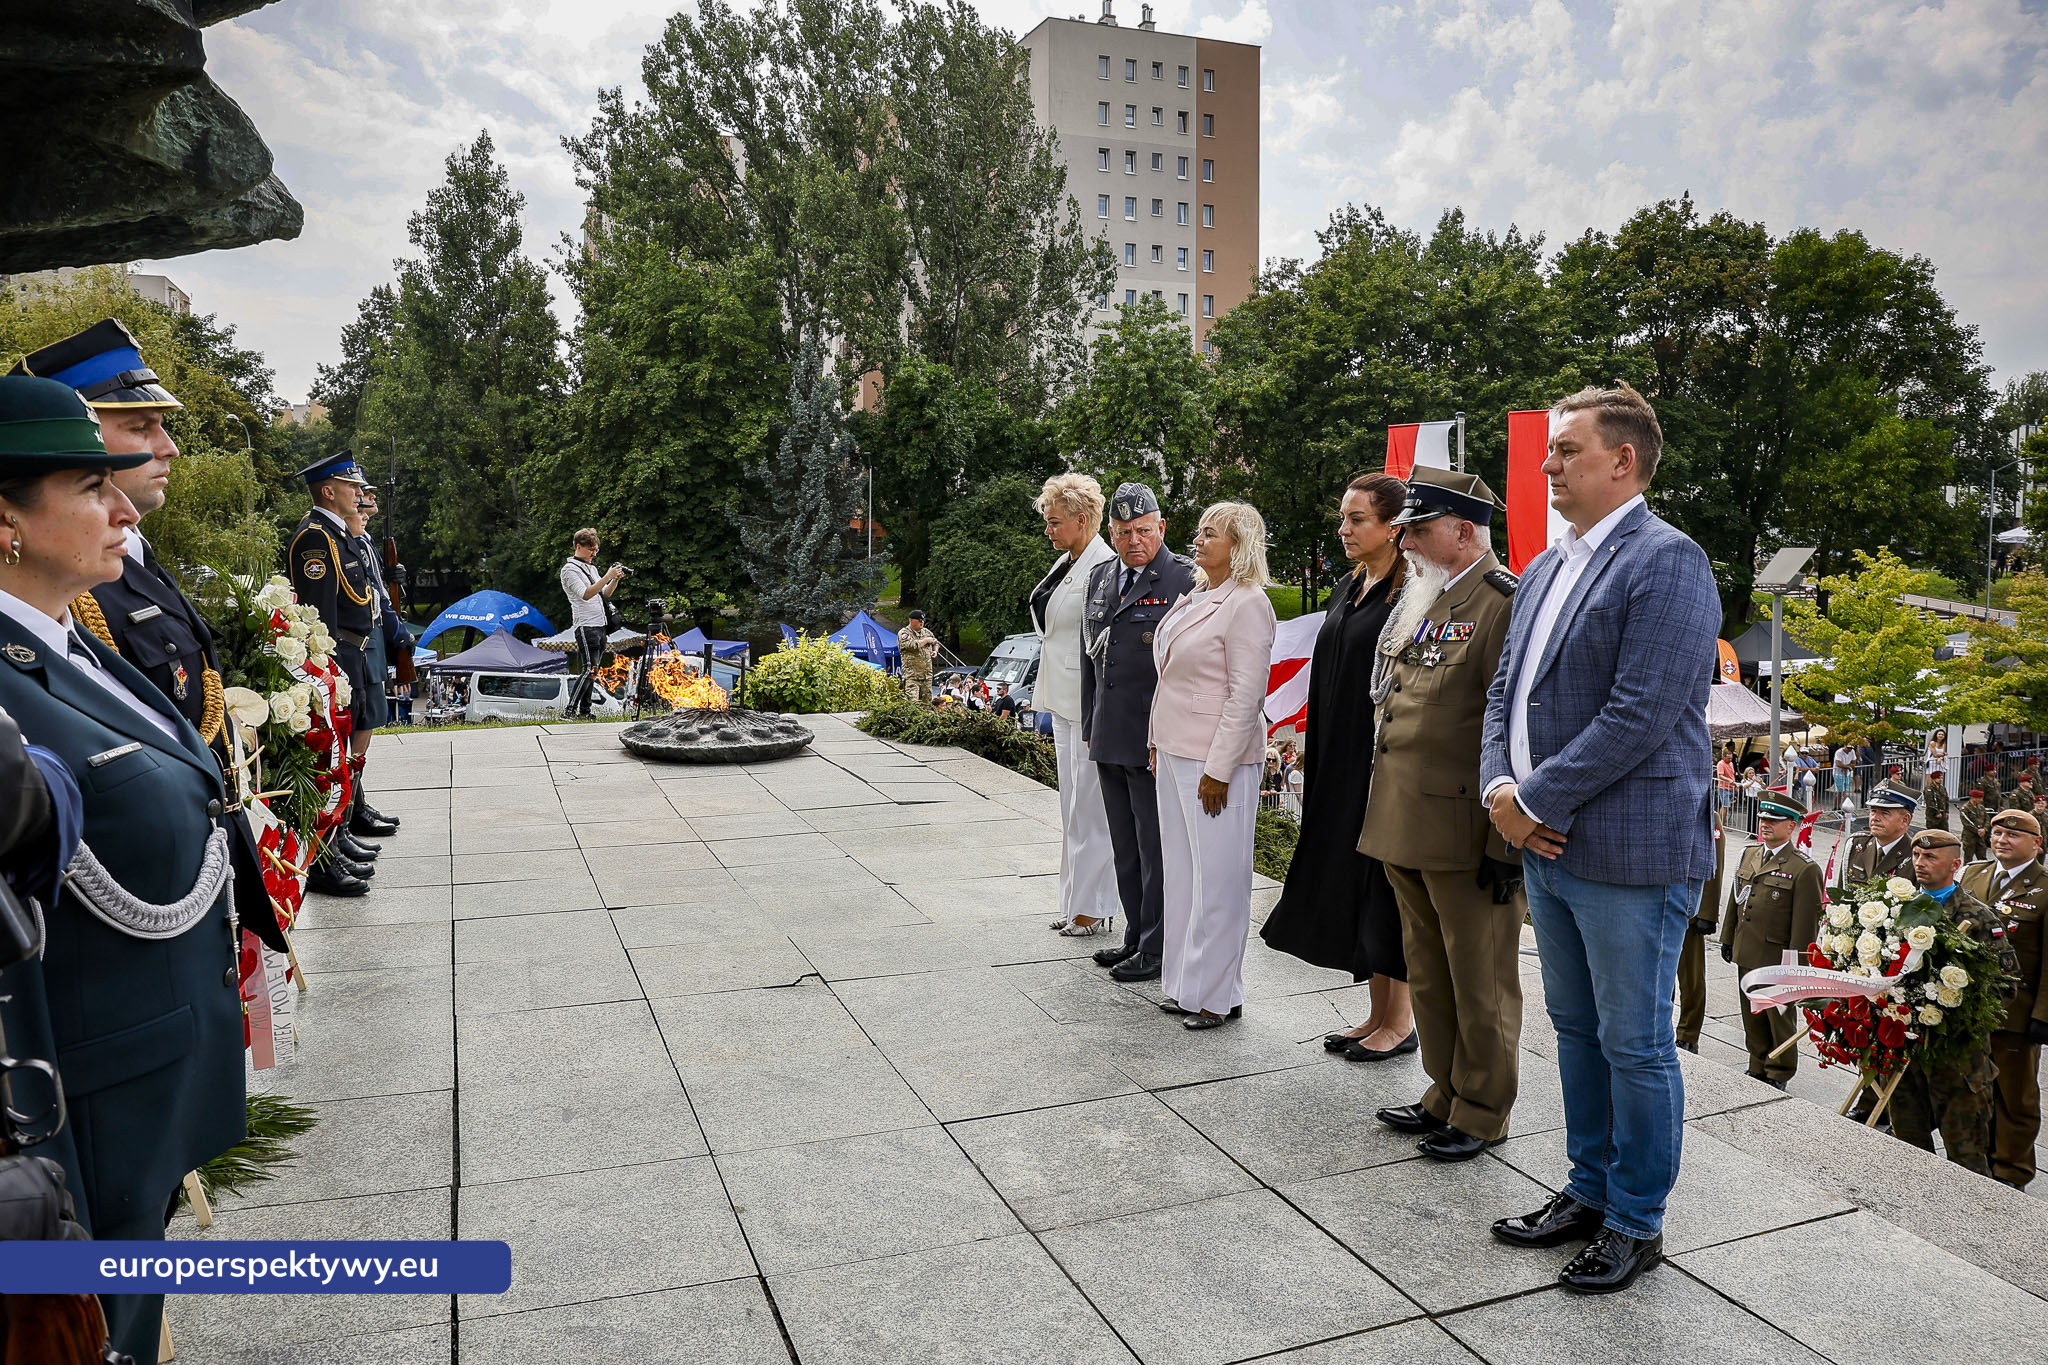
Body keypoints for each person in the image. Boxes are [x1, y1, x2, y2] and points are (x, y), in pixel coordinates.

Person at [0, 376, 245, 1363]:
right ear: (6, 519)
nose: (120, 507)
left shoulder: (66, 641)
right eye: (88, 486)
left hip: (143, 1074)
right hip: (76, 1106)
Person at [1481, 381, 1721, 1296]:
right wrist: (1501, 788)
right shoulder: (1546, 564)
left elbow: (1643, 712)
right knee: (1575, 1030)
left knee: (1634, 1042)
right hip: (1545, 837)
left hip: (1627, 845)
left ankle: (1635, 1219)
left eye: (1564, 450)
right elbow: (1507, 691)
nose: (1546, 466)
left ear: (1623, 459)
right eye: (1548, 451)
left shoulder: (1670, 560)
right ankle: (1586, 1189)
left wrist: (1531, 799)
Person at [15, 319, 295, 952]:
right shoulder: (69, 581)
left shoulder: (128, 555)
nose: (167, 447)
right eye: (139, 427)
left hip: (195, 855)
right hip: (139, 896)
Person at [1358, 467, 1523, 1162]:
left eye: (1419, 530)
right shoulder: (1429, 594)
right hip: (1406, 818)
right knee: (1428, 967)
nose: (1409, 542)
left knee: (1479, 978)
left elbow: (1511, 724)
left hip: (1465, 829)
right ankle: (1444, 1091)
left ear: (1463, 531)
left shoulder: (1500, 600)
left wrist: (1503, 844)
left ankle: (1483, 1108)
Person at [1262, 472, 1413, 1060]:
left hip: (1376, 761)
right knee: (1354, 880)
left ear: (1393, 527)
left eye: (1357, 520)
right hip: (1335, 755)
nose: (1344, 529)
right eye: (1343, 517)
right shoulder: (1351, 585)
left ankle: (1399, 1020)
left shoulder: (1409, 594)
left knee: (1383, 884)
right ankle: (1376, 1012)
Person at [1149, 502, 1278, 1028]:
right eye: (1199, 532)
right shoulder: (1199, 594)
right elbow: (1170, 677)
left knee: (1220, 878)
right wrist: (1155, 740)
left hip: (1215, 761)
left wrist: (1219, 769)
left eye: (1211, 534)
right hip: (1176, 748)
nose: (1198, 541)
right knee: (1182, 874)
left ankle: (1216, 995)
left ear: (1239, 544)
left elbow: (1246, 695)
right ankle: (1187, 983)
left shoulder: (1248, 603)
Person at [1080, 481, 1196, 983]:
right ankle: (1135, 935)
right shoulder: (1103, 577)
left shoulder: (1185, 580)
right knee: (1125, 846)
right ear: (1112, 531)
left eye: (1144, 530)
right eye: (1124, 532)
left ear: (1162, 528)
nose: (1134, 541)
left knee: (1155, 848)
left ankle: (1157, 946)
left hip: (1155, 738)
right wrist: (1090, 724)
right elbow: (1090, 659)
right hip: (1110, 732)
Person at [1887, 828, 2018, 1176]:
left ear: (1954, 864)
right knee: (1908, 1149)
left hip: (1959, 1059)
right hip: (1907, 1052)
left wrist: (1952, 1009)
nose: (1919, 863)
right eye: (1916, 856)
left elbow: (2006, 985)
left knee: (1966, 1155)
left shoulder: (1978, 916)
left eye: (1930, 857)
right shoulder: (1895, 909)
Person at [287, 453, 381, 895]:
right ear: (328, 490)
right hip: (337, 655)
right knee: (331, 758)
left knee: (342, 758)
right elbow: (318, 614)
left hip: (354, 654)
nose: (359, 494)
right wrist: (325, 669)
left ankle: (336, 837)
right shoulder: (316, 540)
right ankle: (323, 855)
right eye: (351, 487)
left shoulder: (340, 537)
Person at [1961, 809, 2048, 1187]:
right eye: (1996, 833)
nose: (2001, 840)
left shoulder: (2044, 889)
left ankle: (2012, 1169)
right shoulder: (1974, 874)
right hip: (1968, 1006)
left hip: (2016, 1011)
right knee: (1974, 1088)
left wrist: (2043, 1015)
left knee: (2015, 1096)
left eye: (2013, 835)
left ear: (2036, 843)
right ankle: (1977, 1158)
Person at [1722, 790, 1824, 1087]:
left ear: (1791, 826)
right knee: (1750, 1013)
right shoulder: (1750, 853)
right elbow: (1736, 899)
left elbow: (1805, 926)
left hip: (1776, 956)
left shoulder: (1803, 869)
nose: (1765, 824)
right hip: (1747, 949)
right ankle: (1757, 1063)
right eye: (1763, 818)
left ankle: (1779, 1069)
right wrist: (1728, 938)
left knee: (1778, 1016)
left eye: (1774, 820)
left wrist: (1795, 966)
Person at [1675, 807, 1727, 1055]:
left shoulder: (1707, 814)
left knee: (1691, 977)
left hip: (1689, 909)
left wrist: (1706, 913)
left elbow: (1714, 863)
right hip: (1656, 904)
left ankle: (1688, 1033)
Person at [561, 528, 623, 718]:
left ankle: (585, 712)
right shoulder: (569, 569)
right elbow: (586, 594)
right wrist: (607, 576)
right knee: (588, 668)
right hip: (585, 625)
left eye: (596, 550)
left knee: (593, 671)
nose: (594, 554)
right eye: (591, 550)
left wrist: (614, 580)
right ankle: (569, 711)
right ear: (578, 546)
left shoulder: (592, 568)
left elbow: (604, 593)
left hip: (600, 624)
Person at [1835, 782, 1916, 890]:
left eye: (1885, 813)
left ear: (1905, 820)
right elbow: (1842, 895)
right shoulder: (1856, 844)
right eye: (1873, 811)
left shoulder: (1916, 855)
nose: (1875, 818)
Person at [1922, 768, 1950, 833]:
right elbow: (1930, 803)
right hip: (1933, 816)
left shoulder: (1942, 788)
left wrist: (1947, 811)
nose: (1941, 780)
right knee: (1933, 833)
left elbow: (1946, 800)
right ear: (1934, 779)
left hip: (1943, 814)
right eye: (1938, 778)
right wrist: (1937, 812)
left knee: (1944, 833)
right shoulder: (1929, 789)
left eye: (1941, 778)